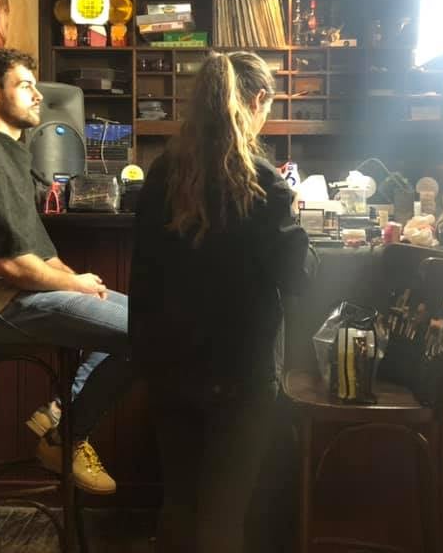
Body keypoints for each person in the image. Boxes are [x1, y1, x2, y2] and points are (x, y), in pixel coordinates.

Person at [0, 47, 131, 495]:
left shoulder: (7, 155)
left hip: (27, 297)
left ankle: (61, 417)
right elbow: (9, 264)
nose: (38, 96)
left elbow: (36, 251)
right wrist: (72, 283)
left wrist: (76, 283)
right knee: (148, 331)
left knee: (150, 322)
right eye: (26, 86)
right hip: (2, 308)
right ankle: (67, 436)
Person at [130, 51, 317, 552]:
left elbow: (142, 274)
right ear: (258, 100)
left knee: (179, 502)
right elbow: (298, 276)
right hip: (241, 369)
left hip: (168, 364)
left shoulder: (162, 172)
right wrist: (297, 222)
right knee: (224, 512)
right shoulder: (263, 182)